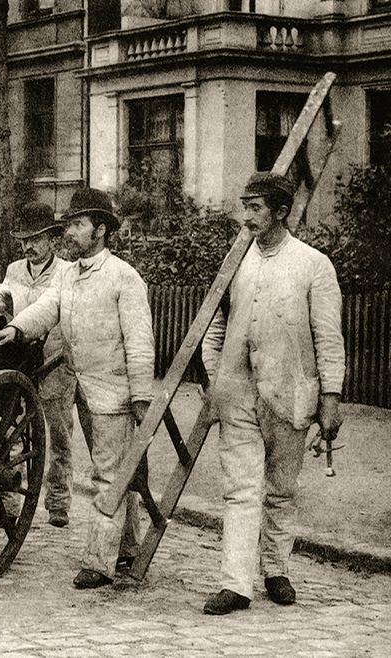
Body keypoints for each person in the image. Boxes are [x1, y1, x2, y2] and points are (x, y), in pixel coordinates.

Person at [0, 187, 153, 589]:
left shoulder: (123, 277)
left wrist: (142, 396)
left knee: (110, 474)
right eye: (69, 225)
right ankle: (128, 547)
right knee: (116, 472)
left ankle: (99, 563)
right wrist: (15, 328)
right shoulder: (71, 275)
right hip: (76, 376)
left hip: (113, 391)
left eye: (78, 225)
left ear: (100, 229)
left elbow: (139, 341)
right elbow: (48, 309)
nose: (70, 233)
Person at [200, 172, 345, 615]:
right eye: (244, 207)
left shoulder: (313, 264)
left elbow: (329, 338)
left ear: (281, 211)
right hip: (238, 393)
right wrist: (216, 378)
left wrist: (331, 400)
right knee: (241, 490)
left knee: (281, 489)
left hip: (290, 393)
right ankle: (235, 584)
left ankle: (276, 570)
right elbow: (215, 326)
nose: (246, 217)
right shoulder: (235, 261)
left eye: (255, 208)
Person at [0, 201, 75, 528]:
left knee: (57, 432)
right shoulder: (14, 270)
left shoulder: (66, 272)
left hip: (55, 360)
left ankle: (58, 502)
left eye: (35, 239)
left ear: (52, 239)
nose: (29, 247)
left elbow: (52, 311)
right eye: (24, 240)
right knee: (10, 432)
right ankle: (9, 503)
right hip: (21, 358)